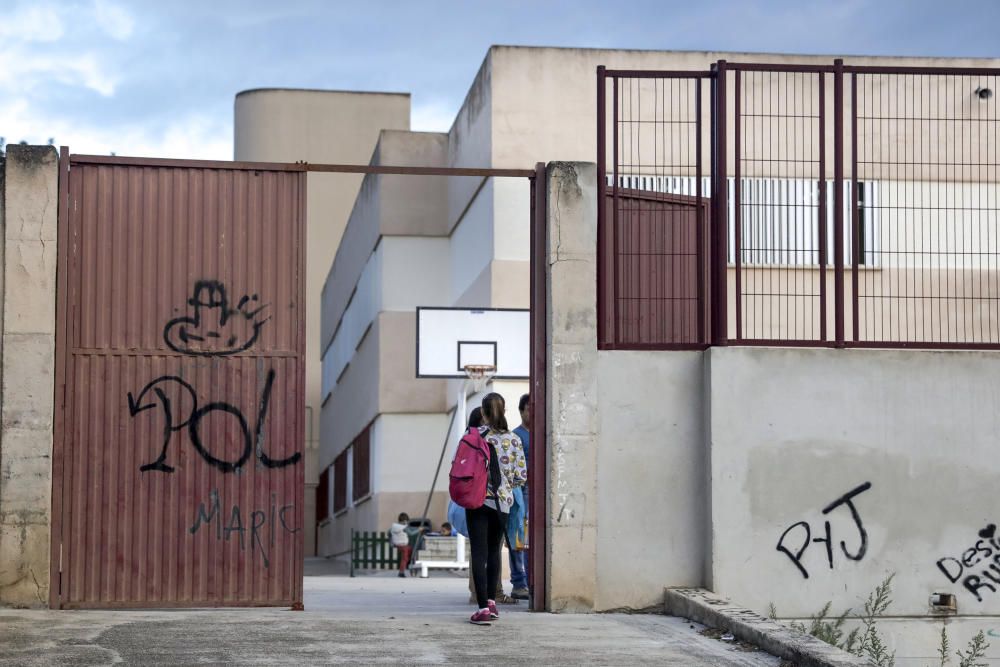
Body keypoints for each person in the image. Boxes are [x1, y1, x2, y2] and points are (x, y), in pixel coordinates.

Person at [466, 393, 526, 625]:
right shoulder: (514, 440)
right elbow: (521, 476)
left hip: (478, 501)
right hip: (503, 504)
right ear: (504, 410)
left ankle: (481, 608)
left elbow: (459, 466)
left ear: (483, 413)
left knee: (479, 554)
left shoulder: (474, 436)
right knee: (493, 553)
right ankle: (491, 602)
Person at [508, 393, 530, 600]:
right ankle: (519, 583)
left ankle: (532, 581)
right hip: (520, 492)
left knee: (533, 539)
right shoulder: (516, 436)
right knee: (518, 537)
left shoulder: (543, 433)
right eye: (528, 408)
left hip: (538, 493)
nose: (532, 411)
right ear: (521, 411)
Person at [390, 512, 412, 578]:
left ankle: (407, 562)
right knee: (404, 558)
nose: (406, 523)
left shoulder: (394, 526)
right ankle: (401, 572)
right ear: (402, 521)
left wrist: (391, 541)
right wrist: (419, 530)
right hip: (402, 545)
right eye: (405, 521)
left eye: (406, 522)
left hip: (398, 544)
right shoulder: (403, 527)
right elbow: (411, 533)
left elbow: (389, 533)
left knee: (410, 549)